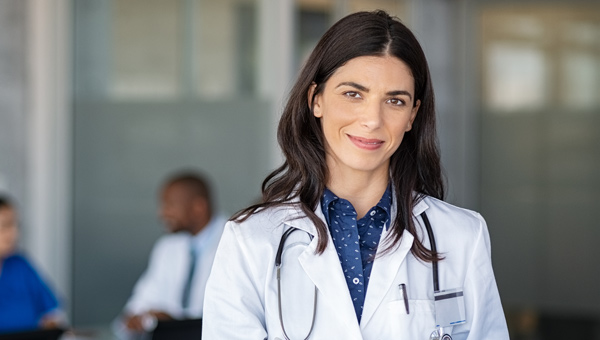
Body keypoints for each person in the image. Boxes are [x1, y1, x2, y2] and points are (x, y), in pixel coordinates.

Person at [202, 10, 509, 340]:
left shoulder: (463, 236)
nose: (372, 119)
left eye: (394, 100)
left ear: (412, 115)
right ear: (315, 99)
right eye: (353, 94)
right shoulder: (251, 240)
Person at [113, 172, 226, 339]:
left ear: (198, 208)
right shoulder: (167, 248)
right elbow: (138, 305)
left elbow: (228, 318)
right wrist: (135, 320)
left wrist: (175, 324)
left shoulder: (235, 243)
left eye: (170, 205)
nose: (162, 214)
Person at [0, 195, 65, 333]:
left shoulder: (21, 266)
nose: (14, 233)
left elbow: (52, 315)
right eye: (6, 225)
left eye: (16, 225)